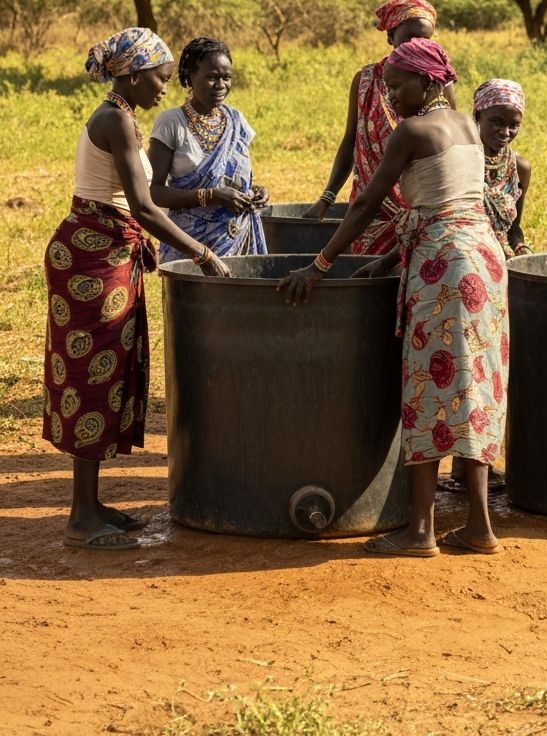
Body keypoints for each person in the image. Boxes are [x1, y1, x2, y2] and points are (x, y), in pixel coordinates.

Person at [278, 38, 507, 557]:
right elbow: (449, 198)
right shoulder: (467, 125)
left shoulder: (412, 131)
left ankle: (420, 532)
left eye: (399, 86)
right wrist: (391, 258)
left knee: (429, 384)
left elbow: (363, 206)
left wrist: (319, 266)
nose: (390, 97)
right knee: (477, 387)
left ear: (428, 82)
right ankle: (480, 527)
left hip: (444, 265)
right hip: (484, 261)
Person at [44, 28, 229, 551]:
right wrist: (201, 251)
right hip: (94, 257)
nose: (166, 88)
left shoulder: (118, 116)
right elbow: (146, 207)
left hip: (101, 252)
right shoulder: (116, 120)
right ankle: (81, 515)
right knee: (92, 373)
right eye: (162, 78)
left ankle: (91, 503)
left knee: (104, 369)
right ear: (132, 73)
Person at [302, 0, 456, 257]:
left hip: (416, 204)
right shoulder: (365, 80)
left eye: (425, 39)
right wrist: (327, 197)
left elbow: (448, 145)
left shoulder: (436, 83)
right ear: (390, 36)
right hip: (370, 206)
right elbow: (351, 139)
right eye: (409, 38)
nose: (417, 45)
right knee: (366, 279)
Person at [148, 37, 268, 261]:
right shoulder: (171, 122)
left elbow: (236, 178)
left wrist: (256, 192)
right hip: (190, 245)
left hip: (236, 237)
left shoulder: (236, 120)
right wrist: (210, 196)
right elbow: (154, 192)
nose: (221, 85)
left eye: (227, 77)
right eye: (212, 77)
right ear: (191, 77)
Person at [473, 78, 532, 258]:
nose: (505, 132)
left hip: (501, 255)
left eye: (513, 125)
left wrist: (522, 250)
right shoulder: (462, 159)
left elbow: (513, 229)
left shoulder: (519, 168)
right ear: (477, 116)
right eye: (496, 122)